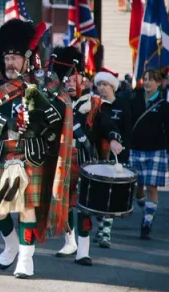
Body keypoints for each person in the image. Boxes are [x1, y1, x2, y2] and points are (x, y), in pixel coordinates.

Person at [0, 19, 73, 279]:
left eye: (15, 57)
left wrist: (39, 110)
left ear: (27, 58)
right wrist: (2, 122)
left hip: (32, 151)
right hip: (3, 150)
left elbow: (62, 111)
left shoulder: (44, 81)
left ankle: (26, 257)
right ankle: (10, 242)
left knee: (26, 206)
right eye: (6, 57)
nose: (9, 62)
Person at [51, 47, 123, 266]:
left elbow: (107, 124)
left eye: (74, 77)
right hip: (61, 159)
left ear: (83, 77)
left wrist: (113, 138)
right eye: (66, 78)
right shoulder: (56, 103)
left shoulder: (95, 104)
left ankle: (84, 249)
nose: (70, 82)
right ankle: (69, 240)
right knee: (63, 203)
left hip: (86, 160)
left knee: (83, 205)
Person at [93, 67, 132, 248]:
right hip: (98, 155)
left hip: (117, 156)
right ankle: (101, 227)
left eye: (105, 84)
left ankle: (106, 232)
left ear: (113, 86)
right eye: (99, 84)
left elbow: (127, 131)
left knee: (110, 193)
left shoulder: (122, 106)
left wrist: (124, 152)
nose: (102, 88)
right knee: (99, 193)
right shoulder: (95, 106)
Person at [128, 68, 169, 240]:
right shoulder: (134, 99)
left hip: (156, 150)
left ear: (159, 83)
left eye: (151, 79)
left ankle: (147, 222)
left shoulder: (164, 104)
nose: (147, 82)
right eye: (145, 79)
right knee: (137, 188)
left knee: (151, 187)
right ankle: (146, 208)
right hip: (136, 149)